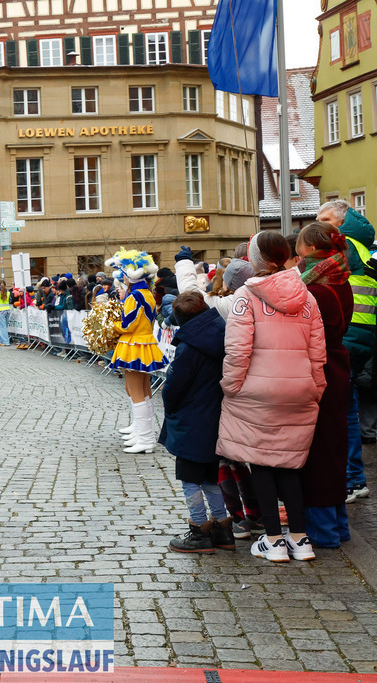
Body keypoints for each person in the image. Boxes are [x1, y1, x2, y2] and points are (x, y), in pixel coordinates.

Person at [217, 231, 327, 563]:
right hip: (299, 389)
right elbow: (317, 352)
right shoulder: (307, 297)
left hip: (256, 391)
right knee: (290, 464)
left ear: (255, 259)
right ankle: (300, 537)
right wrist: (315, 388)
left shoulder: (245, 297)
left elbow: (237, 350)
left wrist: (231, 386)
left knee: (262, 463)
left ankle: (274, 540)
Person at [162, 291, 234, 553]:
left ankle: (200, 531)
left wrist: (170, 408)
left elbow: (174, 386)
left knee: (190, 477)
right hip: (215, 414)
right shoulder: (223, 331)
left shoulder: (188, 345)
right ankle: (222, 528)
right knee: (210, 476)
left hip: (191, 418)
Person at [295, 222, 353, 548]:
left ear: (311, 248)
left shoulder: (316, 288)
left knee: (318, 451)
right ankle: (338, 526)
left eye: (300, 247)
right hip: (337, 367)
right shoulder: (338, 277)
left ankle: (323, 531)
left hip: (322, 371)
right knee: (333, 447)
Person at [317, 200, 374, 502]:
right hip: (363, 334)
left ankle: (351, 479)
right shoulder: (364, 247)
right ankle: (355, 477)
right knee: (349, 408)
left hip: (346, 334)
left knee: (343, 412)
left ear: (340, 221)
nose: (319, 223)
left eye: (324, 218)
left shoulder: (341, 246)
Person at [107, 249, 167, 453]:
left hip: (134, 344)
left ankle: (145, 439)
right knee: (143, 389)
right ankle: (143, 434)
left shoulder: (134, 296)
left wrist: (111, 325)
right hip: (144, 343)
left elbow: (128, 325)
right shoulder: (147, 293)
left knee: (136, 391)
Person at [0, 279, 12, 346]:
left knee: (2, 327)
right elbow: (10, 300)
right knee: (5, 326)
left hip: (0, 311)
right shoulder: (8, 292)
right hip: (7, 310)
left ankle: (5, 341)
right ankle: (4, 340)